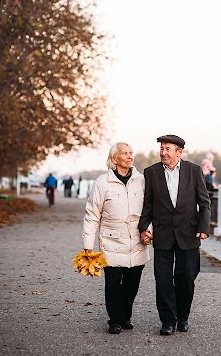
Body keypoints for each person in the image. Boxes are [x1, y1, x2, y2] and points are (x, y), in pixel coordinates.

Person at [139, 134, 211, 336]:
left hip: (188, 233)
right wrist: (144, 227)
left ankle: (183, 317)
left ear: (179, 152)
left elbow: (204, 202)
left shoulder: (194, 171)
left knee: (186, 277)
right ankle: (167, 321)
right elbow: (148, 204)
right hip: (162, 234)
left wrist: (203, 227)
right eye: (161, 149)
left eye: (167, 149)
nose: (163, 152)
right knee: (162, 279)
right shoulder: (151, 172)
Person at [82, 142, 150, 334]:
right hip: (111, 241)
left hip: (137, 242)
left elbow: (149, 210)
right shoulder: (102, 182)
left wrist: (149, 230)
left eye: (131, 152)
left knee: (132, 284)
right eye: (125, 153)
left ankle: (125, 315)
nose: (130, 156)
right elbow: (92, 215)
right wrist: (88, 245)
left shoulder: (141, 180)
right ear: (114, 159)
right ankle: (115, 320)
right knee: (113, 284)